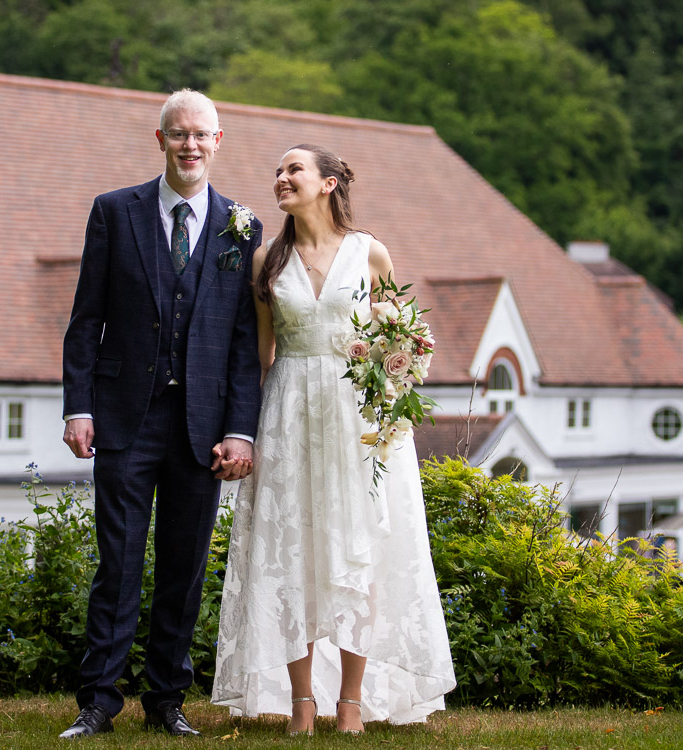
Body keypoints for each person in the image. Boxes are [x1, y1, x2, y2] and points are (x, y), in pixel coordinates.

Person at [212, 145, 456, 735]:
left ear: (327, 183)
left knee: (359, 551)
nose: (280, 179)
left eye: (292, 170)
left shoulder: (370, 252)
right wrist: (238, 427)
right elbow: (263, 355)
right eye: (277, 171)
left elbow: (399, 336)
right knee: (290, 549)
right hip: (290, 410)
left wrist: (398, 383)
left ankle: (350, 702)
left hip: (359, 421)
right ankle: (301, 702)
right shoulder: (267, 259)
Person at [59, 89, 264, 739]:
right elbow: (85, 319)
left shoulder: (243, 226)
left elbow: (241, 340)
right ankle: (98, 701)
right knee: (117, 562)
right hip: (124, 415)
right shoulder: (115, 212)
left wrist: (239, 428)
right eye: (179, 135)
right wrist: (79, 407)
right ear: (161, 141)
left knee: (184, 563)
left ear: (219, 141)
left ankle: (167, 701)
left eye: (202, 135)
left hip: (202, 426)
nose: (191, 145)